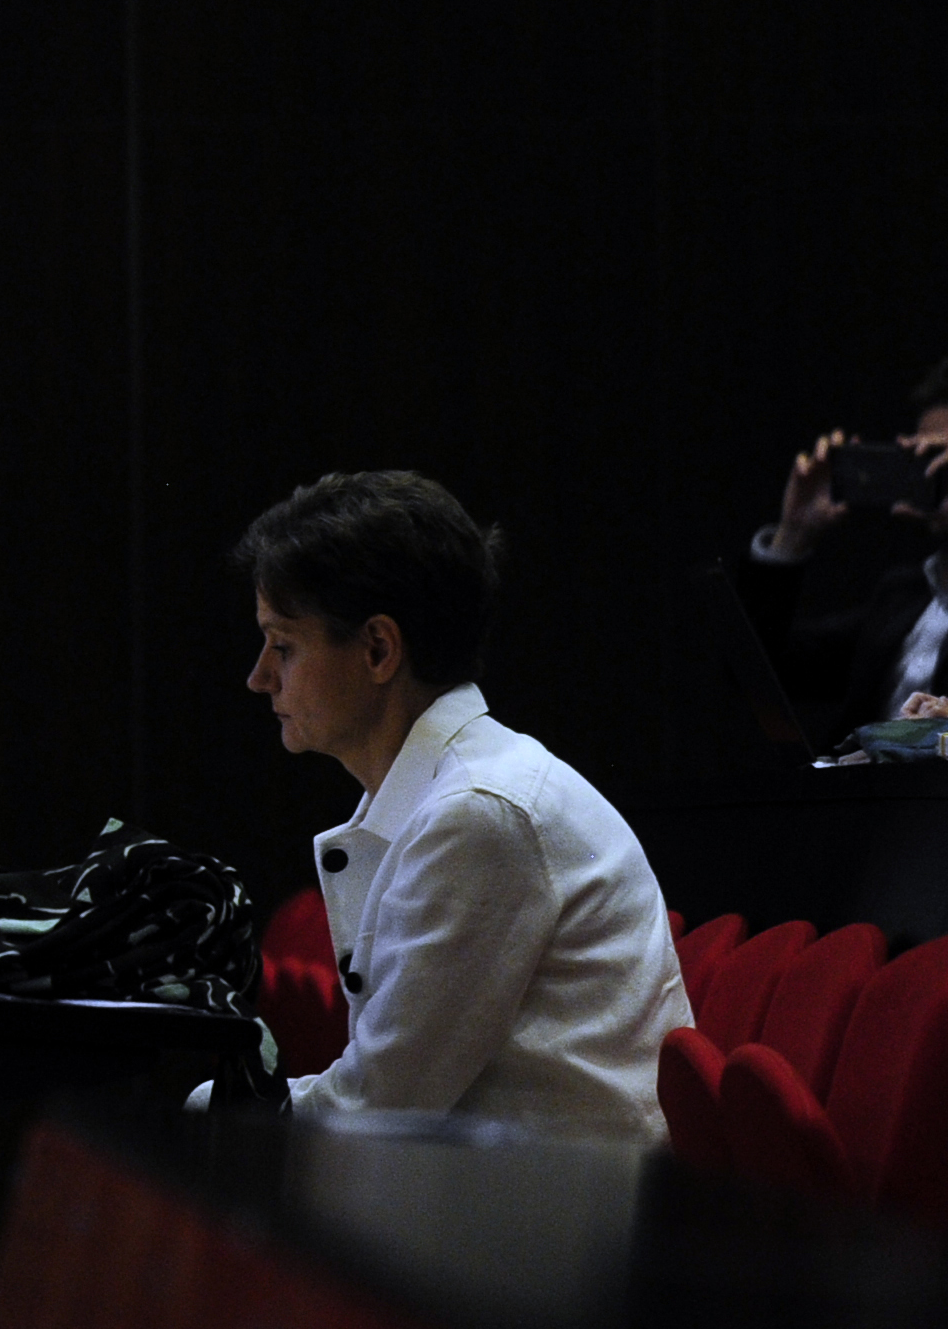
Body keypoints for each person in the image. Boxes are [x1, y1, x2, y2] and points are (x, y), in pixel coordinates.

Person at [239, 470, 681, 1138]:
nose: (260, 677)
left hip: (560, 1202)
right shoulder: (460, 794)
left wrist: (191, 1117)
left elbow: (376, 1112)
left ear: (378, 649)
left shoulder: (480, 813)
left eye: (283, 646)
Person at [734, 362, 948, 736]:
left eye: (940, 456)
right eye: (924, 459)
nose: (934, 476)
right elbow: (760, 672)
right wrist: (792, 535)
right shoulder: (903, 595)